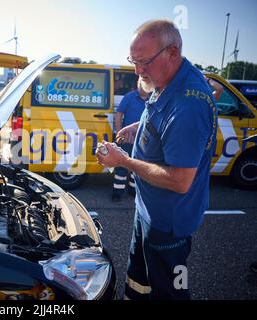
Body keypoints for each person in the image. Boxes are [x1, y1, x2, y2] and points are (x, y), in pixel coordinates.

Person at [96, 19, 217, 300]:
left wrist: (123, 161)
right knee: (139, 279)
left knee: (170, 292)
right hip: (148, 208)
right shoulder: (169, 77)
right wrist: (137, 126)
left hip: (167, 224)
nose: (138, 71)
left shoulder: (188, 107)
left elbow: (180, 180)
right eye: (133, 61)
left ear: (172, 52)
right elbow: (163, 118)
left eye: (144, 62)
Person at [112, 78, 148, 201]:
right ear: (139, 84)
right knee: (121, 165)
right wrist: (119, 132)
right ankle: (117, 192)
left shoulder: (153, 99)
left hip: (144, 140)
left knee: (138, 166)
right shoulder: (129, 97)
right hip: (127, 138)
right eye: (143, 85)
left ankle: (133, 190)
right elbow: (119, 114)